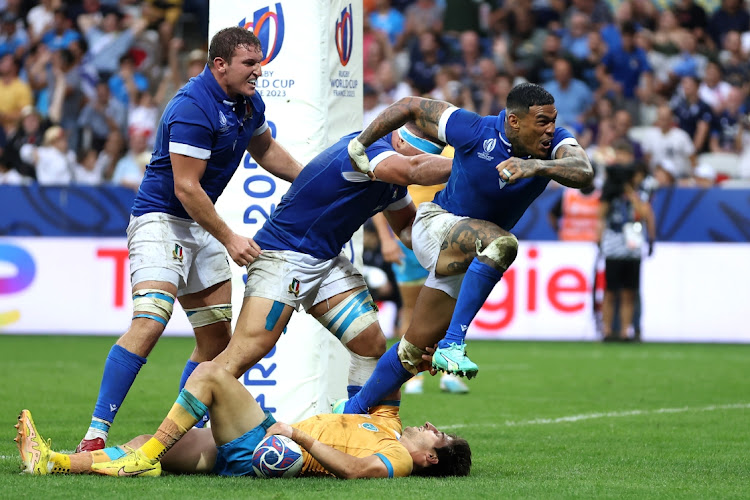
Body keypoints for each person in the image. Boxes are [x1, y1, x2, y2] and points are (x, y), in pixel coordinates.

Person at [75, 27, 303, 454]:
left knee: (217, 341)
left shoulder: (249, 104)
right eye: (249, 63)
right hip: (161, 220)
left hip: (200, 224)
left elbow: (267, 150)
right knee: (151, 319)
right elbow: (186, 188)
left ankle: (169, 436)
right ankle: (95, 434)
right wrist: (231, 238)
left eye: (259, 62)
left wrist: (311, 180)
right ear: (220, 65)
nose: (259, 70)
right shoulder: (193, 107)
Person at [340, 83, 593, 414]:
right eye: (542, 121)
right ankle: (454, 342)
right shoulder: (474, 128)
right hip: (437, 224)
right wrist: (362, 143)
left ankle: (349, 412)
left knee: (412, 352)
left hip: (469, 250)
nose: (550, 129)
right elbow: (409, 105)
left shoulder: (554, 143)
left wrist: (535, 166)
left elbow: (584, 171)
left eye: (552, 120)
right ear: (514, 122)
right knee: (502, 243)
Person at [206, 120, 452, 404]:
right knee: (244, 353)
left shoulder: (394, 183)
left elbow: (409, 229)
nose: (415, 164)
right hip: (285, 254)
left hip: (326, 261)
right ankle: (172, 435)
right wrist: (471, 164)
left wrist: (455, 240)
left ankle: (358, 429)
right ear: (399, 143)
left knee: (370, 344)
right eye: (416, 156)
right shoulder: (368, 149)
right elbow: (414, 169)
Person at [16, 360, 471, 479]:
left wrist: (298, 436)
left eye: (439, 435)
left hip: (272, 446)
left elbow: (357, 471)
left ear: (431, 458)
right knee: (144, 440)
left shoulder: (399, 457)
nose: (431, 425)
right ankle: (51, 462)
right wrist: (421, 356)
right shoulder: (389, 424)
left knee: (211, 374)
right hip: (263, 443)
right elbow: (394, 367)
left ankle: (144, 457)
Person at [597, 143, 656, 341]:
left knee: (629, 292)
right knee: (611, 291)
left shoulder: (640, 193)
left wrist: (630, 192)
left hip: (632, 245)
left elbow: (643, 213)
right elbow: (601, 215)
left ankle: (624, 331)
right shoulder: (610, 192)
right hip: (614, 244)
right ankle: (606, 330)